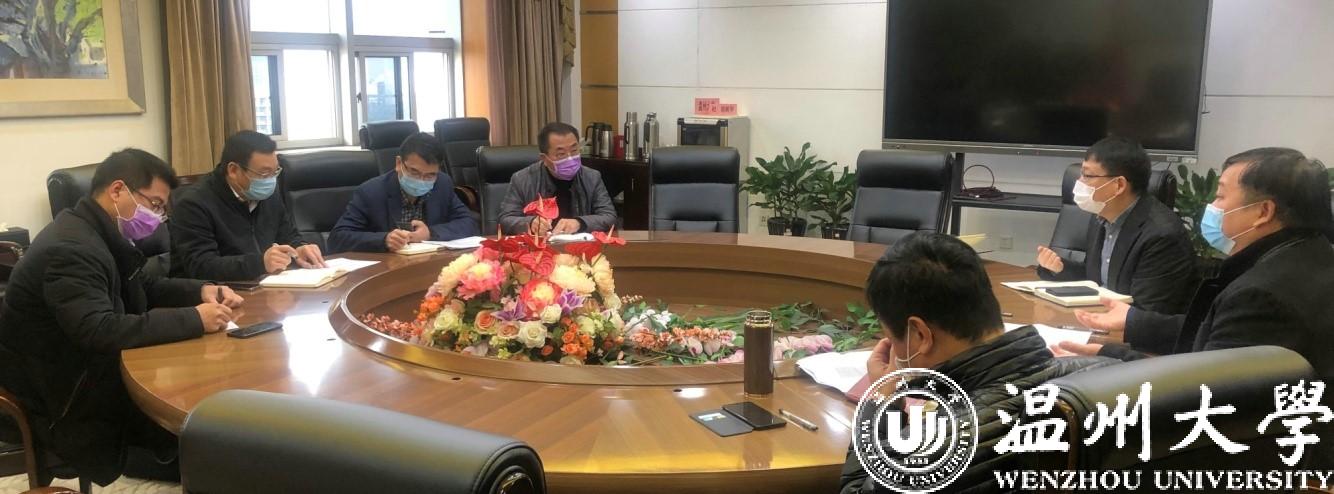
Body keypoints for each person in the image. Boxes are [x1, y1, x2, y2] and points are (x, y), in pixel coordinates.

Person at [0, 149, 242, 485]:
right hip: (62, 395)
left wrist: (201, 290)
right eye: (155, 205)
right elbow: (99, 329)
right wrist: (194, 319)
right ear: (117, 191)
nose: (158, 217)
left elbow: (142, 285)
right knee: (206, 434)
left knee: (206, 406)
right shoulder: (71, 249)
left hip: (81, 369)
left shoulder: (94, 230)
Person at [840, 233, 1112, 494]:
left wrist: (881, 399)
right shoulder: (1109, 372)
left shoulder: (930, 454)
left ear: (921, 335)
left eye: (892, 339)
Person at [1060, 148, 1334, 381]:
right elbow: (1215, 330)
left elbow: (1205, 387)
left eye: (1220, 196)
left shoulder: (1261, 295)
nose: (1212, 206)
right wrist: (1135, 322)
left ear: (1263, 212)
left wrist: (1111, 356)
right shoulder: (1311, 254)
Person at [1036, 136, 1197, 321]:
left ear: (1119, 185)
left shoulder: (1162, 235)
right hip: (1101, 319)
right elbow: (1096, 279)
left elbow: (1148, 312)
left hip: (1136, 332)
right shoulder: (1101, 216)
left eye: (1087, 176)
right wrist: (1059, 268)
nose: (1079, 182)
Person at [170, 130, 325, 281]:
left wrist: (299, 248)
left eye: (275, 172)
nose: (271, 180)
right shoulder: (193, 204)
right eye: (264, 174)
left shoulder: (269, 194)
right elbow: (202, 266)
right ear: (233, 170)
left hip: (265, 285)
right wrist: (260, 263)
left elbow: (287, 234)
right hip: (216, 292)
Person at [328, 132, 479, 253]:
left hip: (429, 265)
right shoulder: (371, 192)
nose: (421, 180)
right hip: (387, 269)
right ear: (399, 163)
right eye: (414, 172)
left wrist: (430, 233)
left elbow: (469, 223)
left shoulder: (442, 184)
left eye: (430, 175)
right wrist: (384, 240)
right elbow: (337, 239)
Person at [498, 122, 617, 236]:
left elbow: (609, 216)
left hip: (579, 244)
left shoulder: (592, 177)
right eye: (561, 154)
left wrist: (580, 223)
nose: (570, 158)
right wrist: (531, 223)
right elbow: (505, 220)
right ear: (544, 158)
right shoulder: (522, 179)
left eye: (574, 151)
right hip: (540, 245)